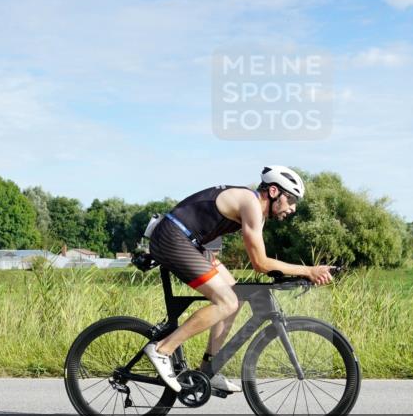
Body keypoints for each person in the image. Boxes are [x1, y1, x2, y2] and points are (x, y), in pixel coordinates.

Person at [142, 166, 334, 393]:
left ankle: (209, 369)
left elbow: (262, 263)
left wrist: (299, 273)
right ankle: (162, 349)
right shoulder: (250, 203)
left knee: (237, 295)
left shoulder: (257, 213)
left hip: (188, 241)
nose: (293, 208)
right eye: (291, 200)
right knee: (227, 301)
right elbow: (261, 263)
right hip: (172, 238)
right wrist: (308, 271)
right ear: (274, 192)